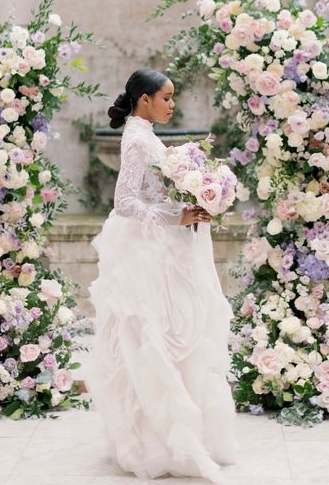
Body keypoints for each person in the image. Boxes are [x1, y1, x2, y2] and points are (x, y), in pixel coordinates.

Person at [84, 69, 238, 484]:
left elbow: (158, 189)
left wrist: (193, 198)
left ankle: (175, 436)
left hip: (162, 247)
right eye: (166, 97)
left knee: (173, 335)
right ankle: (154, 441)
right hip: (146, 252)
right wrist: (177, 215)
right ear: (144, 99)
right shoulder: (136, 140)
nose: (172, 104)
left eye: (173, 97)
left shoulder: (144, 132)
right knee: (150, 338)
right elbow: (125, 202)